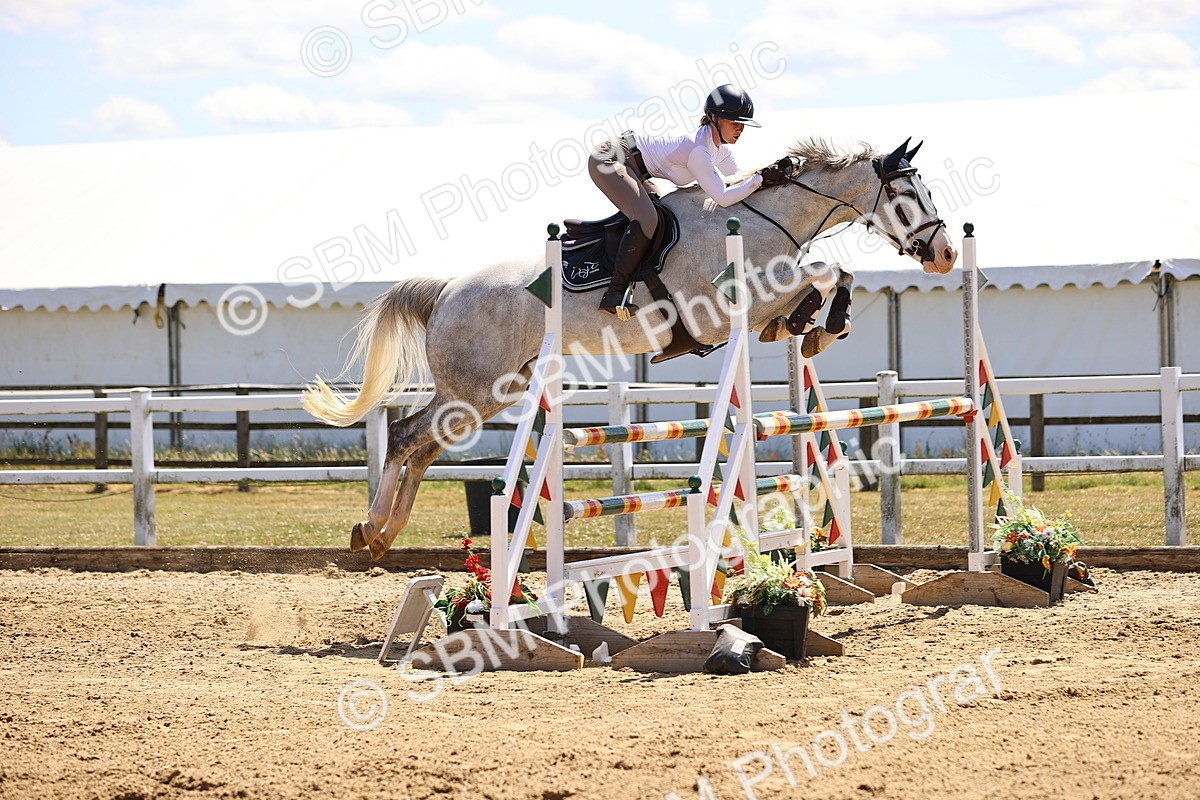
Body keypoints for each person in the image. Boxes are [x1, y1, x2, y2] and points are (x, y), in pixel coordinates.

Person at [588, 84, 774, 319]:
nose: (741, 129)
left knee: (662, 214)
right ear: (715, 118)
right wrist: (759, 179)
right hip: (609, 157)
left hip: (632, 165)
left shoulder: (718, 150)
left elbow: (741, 179)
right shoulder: (699, 151)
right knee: (647, 218)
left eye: (743, 124)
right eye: (735, 122)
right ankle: (614, 294)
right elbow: (724, 198)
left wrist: (768, 178)